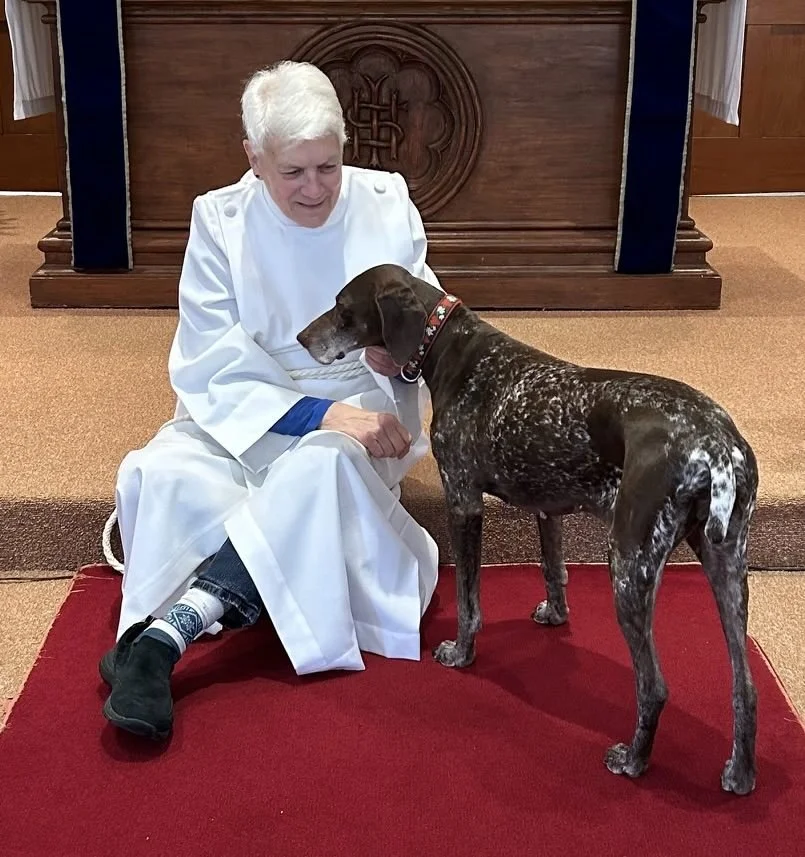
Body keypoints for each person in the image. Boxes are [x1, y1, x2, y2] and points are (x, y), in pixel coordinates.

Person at [100, 60, 442, 740]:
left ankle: (167, 634)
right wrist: (316, 413)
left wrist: (400, 358)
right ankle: (195, 610)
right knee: (158, 470)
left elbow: (430, 324)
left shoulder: (385, 200)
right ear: (252, 157)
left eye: (328, 166)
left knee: (319, 468)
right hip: (247, 405)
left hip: (358, 404)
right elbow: (211, 363)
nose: (315, 189)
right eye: (293, 172)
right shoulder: (218, 221)